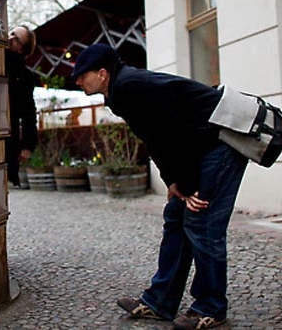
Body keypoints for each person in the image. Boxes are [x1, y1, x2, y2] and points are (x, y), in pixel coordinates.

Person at [71, 43, 248, 330]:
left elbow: (177, 132)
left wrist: (189, 186)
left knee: (202, 224)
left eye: (82, 75)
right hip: (201, 147)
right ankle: (160, 302)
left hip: (221, 144)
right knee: (175, 218)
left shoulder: (131, 86)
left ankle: (211, 308)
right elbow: (156, 137)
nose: (77, 80)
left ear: (102, 73)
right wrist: (174, 182)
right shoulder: (120, 90)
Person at [5, 25, 38, 188]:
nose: (10, 38)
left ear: (21, 50)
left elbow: (29, 114)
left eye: (16, 39)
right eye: (11, 34)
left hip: (5, 135)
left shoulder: (24, 77)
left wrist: (27, 145)